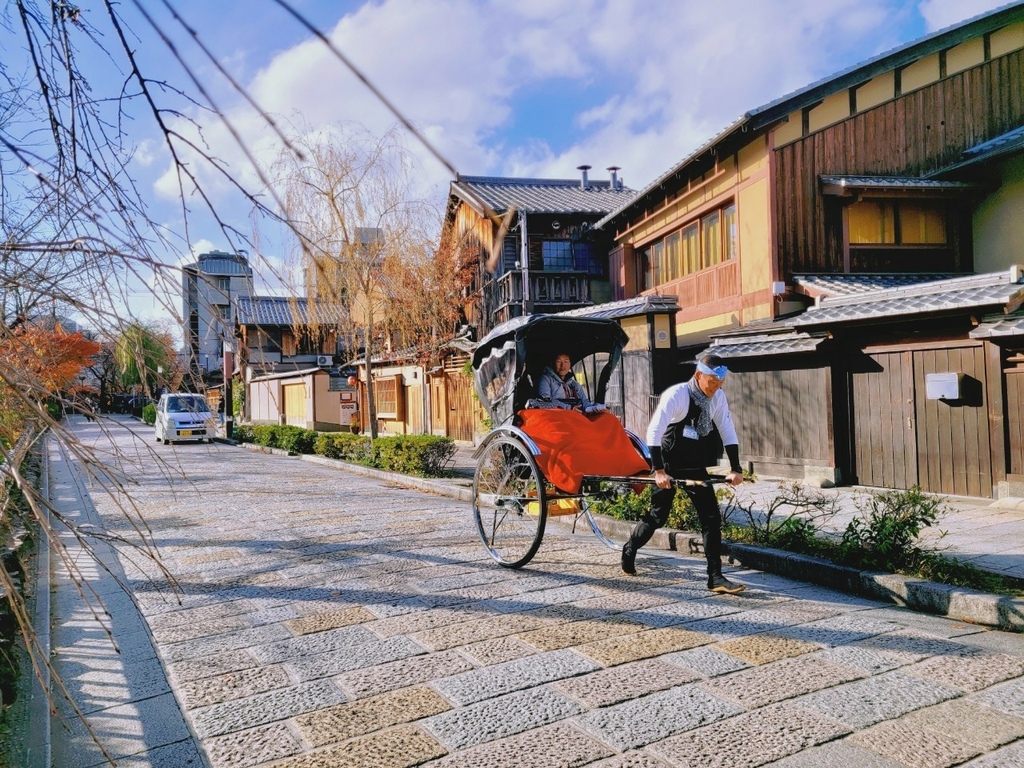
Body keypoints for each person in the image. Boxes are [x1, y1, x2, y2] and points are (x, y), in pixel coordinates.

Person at [621, 353, 746, 594]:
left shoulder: (717, 397)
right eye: (712, 382)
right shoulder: (678, 394)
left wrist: (736, 468)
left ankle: (715, 577)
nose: (716, 388)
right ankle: (630, 548)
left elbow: (727, 430)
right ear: (699, 375)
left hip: (694, 464)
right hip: (667, 463)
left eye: (721, 383)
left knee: (711, 518)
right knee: (658, 516)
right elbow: (654, 432)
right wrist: (658, 471)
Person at [535, 353, 607, 413]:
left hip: (575, 419)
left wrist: (596, 407)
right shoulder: (545, 380)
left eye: (566, 361)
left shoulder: (574, 384)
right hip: (555, 418)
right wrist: (569, 408)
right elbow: (545, 401)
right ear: (552, 363)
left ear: (570, 364)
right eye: (558, 361)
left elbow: (585, 403)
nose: (562, 365)